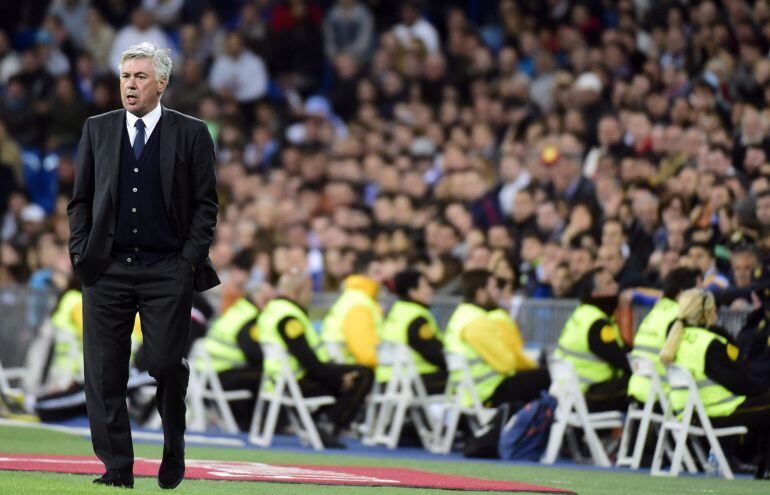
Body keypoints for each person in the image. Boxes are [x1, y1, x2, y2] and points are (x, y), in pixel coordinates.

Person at [67, 42, 219, 489]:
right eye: (125, 77)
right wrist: (81, 252)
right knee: (103, 372)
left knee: (165, 364)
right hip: (107, 270)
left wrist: (188, 261)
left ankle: (174, 447)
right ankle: (117, 469)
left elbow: (205, 204)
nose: (130, 86)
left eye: (140, 77)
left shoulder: (191, 132)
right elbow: (80, 201)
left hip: (167, 269)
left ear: (162, 84)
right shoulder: (97, 129)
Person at [660, 289, 770, 479]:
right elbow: (742, 383)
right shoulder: (709, 343)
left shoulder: (675, 337)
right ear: (709, 312)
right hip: (714, 413)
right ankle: (763, 467)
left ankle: (758, 463)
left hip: (685, 411)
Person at [258, 268, 373, 448]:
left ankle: (320, 421)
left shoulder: (273, 310)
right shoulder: (289, 318)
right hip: (296, 382)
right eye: (309, 290)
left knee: (350, 373)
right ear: (298, 291)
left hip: (279, 379)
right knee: (363, 375)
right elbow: (310, 363)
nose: (311, 295)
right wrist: (339, 378)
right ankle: (327, 424)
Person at [445, 270, 550, 411]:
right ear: (480, 293)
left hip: (469, 392)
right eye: (494, 288)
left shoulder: (462, 315)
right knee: (548, 376)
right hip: (487, 392)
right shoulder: (477, 323)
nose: (498, 292)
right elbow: (507, 363)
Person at [198, 252, 265, 432]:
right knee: (261, 375)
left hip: (212, 360)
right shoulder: (219, 293)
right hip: (215, 363)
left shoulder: (242, 300)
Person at [555, 269, 630, 411]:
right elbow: (623, 360)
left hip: (568, 393)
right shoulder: (597, 324)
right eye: (609, 283)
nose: (616, 286)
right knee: (642, 384)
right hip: (586, 396)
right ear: (595, 293)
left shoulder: (583, 313)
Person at [627, 267, 700, 405]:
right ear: (682, 294)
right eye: (698, 293)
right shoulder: (678, 317)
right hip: (661, 394)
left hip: (639, 388)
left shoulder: (656, 311)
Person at [377, 269, 447, 395]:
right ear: (412, 292)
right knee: (461, 378)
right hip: (412, 381)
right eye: (425, 286)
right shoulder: (416, 319)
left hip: (387, 379)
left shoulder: (395, 312)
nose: (430, 290)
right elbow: (435, 354)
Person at [321, 269, 383, 368]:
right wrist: (387, 361)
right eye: (377, 273)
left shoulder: (354, 297)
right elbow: (365, 354)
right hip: (349, 370)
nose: (382, 278)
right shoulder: (359, 304)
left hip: (339, 365)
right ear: (363, 275)